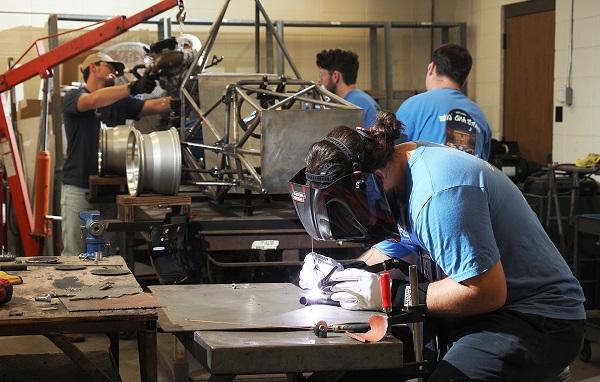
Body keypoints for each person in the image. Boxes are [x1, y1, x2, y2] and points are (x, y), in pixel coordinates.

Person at [290, 111, 585, 381]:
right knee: (351, 371)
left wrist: (393, 295)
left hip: (535, 318)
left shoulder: (436, 194)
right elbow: (391, 249)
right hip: (474, 313)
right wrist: (339, 276)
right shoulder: (396, 173)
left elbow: (486, 292)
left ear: (368, 181)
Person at [61, 52, 171, 256]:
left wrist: (180, 95)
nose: (115, 71)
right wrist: (131, 88)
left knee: (108, 257)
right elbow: (92, 100)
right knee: (75, 255)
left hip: (112, 192)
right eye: (109, 66)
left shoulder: (120, 101)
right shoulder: (73, 96)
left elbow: (156, 106)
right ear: (92, 67)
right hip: (78, 189)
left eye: (117, 69)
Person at [396, 43, 492, 160]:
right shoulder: (480, 117)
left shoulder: (413, 107)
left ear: (431, 68)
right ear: (465, 79)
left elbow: (391, 159)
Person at [316, 48, 380, 128]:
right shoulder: (359, 99)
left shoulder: (352, 106)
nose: (319, 80)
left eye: (322, 75)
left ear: (335, 76)